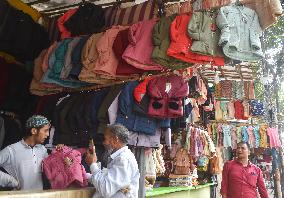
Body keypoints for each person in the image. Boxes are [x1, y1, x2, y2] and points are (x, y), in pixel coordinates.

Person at [0, 115, 61, 190]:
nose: (48, 134)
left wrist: (60, 153)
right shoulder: (11, 150)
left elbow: (53, 171)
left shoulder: (43, 150)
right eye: (45, 130)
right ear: (34, 131)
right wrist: (10, 180)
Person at [86, 124, 140, 198]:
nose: (103, 143)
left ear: (115, 139)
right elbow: (106, 179)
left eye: (105, 139)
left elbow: (106, 189)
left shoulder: (123, 159)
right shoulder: (119, 157)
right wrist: (86, 176)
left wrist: (93, 164)